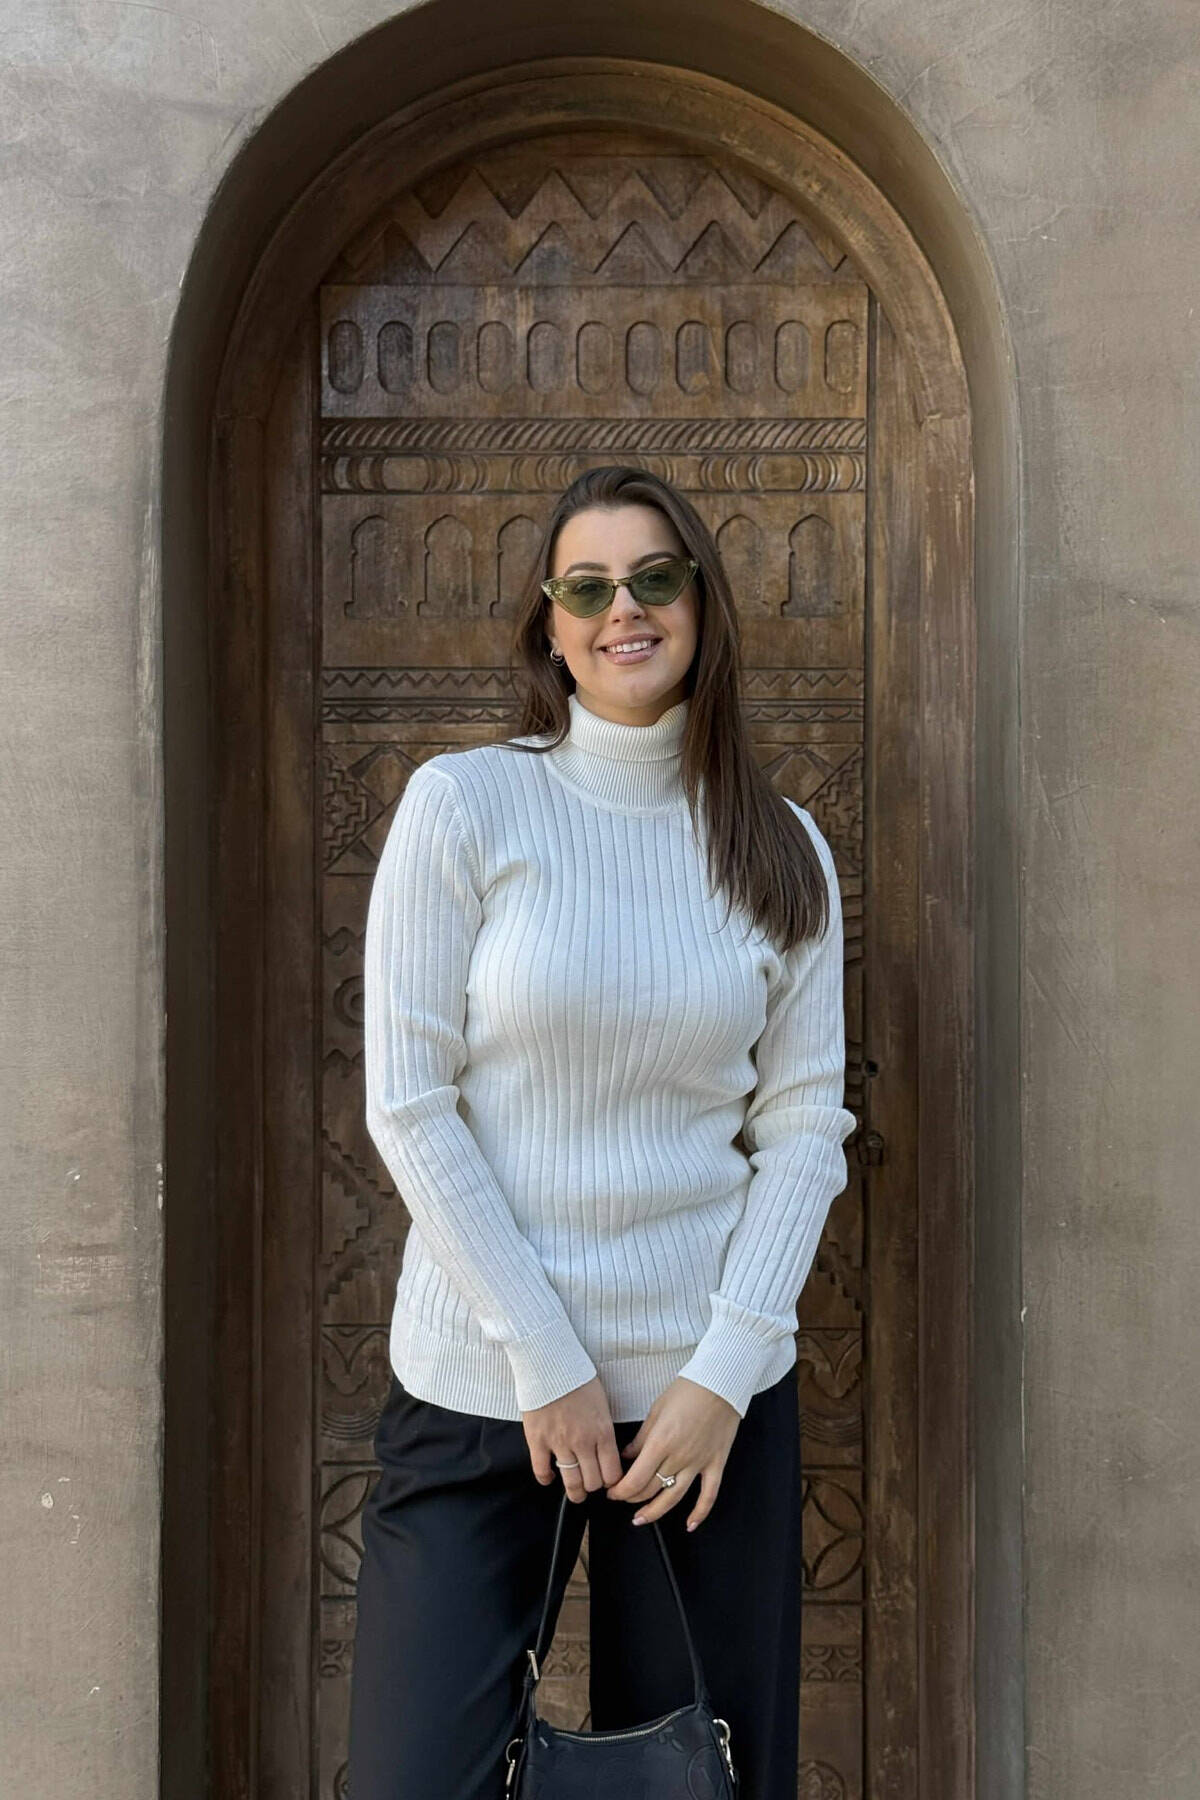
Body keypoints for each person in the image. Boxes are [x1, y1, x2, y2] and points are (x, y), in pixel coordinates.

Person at [347, 465, 857, 1799]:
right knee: (415, 1776)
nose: (624, 608)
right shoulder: (465, 805)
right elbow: (410, 1100)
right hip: (484, 1385)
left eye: (654, 578)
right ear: (552, 624)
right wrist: (546, 1354)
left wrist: (723, 1372)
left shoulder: (783, 849)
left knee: (699, 1783)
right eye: (589, 587)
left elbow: (804, 1126)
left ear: (701, 603)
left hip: (704, 1414)